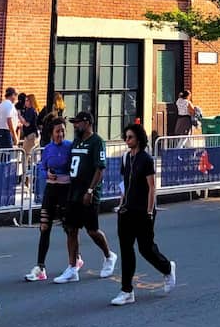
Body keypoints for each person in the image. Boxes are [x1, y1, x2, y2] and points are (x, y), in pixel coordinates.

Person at [110, 123, 175, 305]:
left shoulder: (146, 159)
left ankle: (167, 268)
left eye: (130, 137)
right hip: (127, 210)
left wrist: (149, 211)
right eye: (126, 137)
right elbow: (124, 183)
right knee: (126, 249)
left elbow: (151, 187)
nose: (127, 140)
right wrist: (121, 203)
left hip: (142, 210)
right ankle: (126, 290)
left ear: (138, 138)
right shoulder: (125, 158)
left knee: (145, 248)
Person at [53, 111, 117, 283]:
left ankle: (109, 255)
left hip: (88, 192)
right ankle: (72, 267)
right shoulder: (76, 142)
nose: (75, 126)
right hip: (73, 191)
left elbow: (100, 168)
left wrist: (90, 190)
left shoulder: (97, 142)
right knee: (71, 229)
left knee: (92, 230)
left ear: (87, 122)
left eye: (78, 122)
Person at [24, 118, 81, 282]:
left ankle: (75, 259)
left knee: (68, 228)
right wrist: (46, 173)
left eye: (63, 131)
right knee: (44, 226)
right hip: (51, 189)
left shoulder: (70, 147)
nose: (60, 134)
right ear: (51, 133)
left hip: (65, 190)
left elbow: (75, 167)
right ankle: (40, 267)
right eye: (57, 131)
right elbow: (42, 167)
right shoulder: (47, 149)